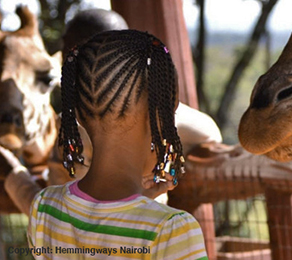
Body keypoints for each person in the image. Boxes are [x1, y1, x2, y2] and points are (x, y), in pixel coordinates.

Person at [27, 29, 208, 259]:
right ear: (160, 118)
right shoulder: (171, 230)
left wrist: (139, 201)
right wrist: (142, 210)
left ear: (80, 116)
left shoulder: (44, 209)